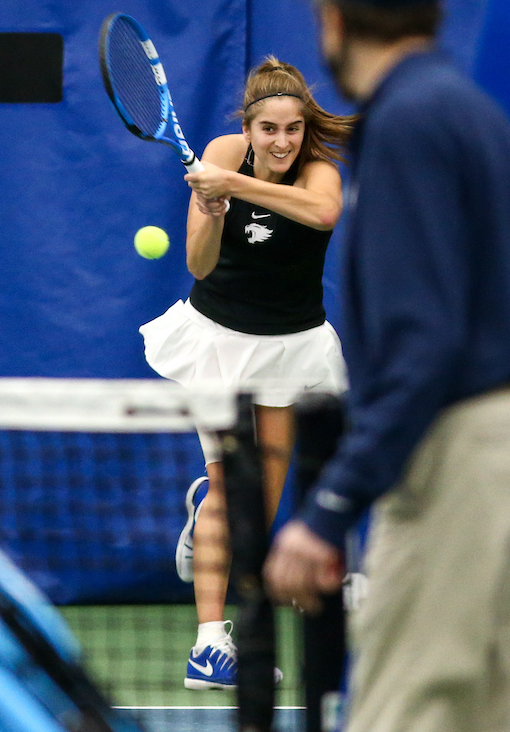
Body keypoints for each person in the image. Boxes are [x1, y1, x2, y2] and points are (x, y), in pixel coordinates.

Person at [263, 0, 510, 732]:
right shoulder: (471, 116)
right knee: (504, 718)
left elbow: (423, 342)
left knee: (400, 716)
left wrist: (332, 506)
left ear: (333, 17)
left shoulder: (407, 125)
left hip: (473, 456)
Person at [139, 56, 352, 690]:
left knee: (261, 502)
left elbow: (320, 215)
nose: (281, 141)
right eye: (269, 130)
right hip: (222, 343)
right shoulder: (222, 153)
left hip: (293, 348)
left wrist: (233, 188)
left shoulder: (320, 171)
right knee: (234, 493)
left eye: (292, 128)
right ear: (249, 129)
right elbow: (200, 266)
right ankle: (209, 646)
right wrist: (207, 207)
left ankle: (244, 609)